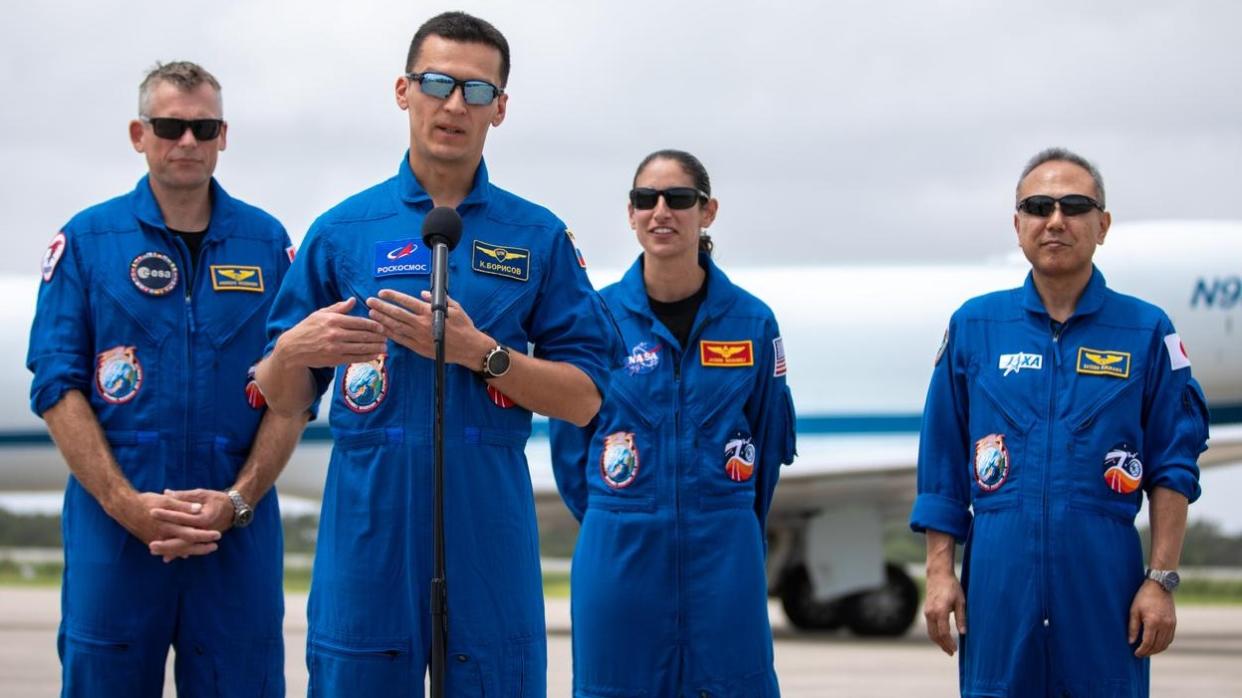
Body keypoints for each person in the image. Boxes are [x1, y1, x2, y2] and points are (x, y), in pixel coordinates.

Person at [255, 11, 617, 696]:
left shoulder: (537, 236)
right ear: (403, 90)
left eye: (477, 91)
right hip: (369, 519)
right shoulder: (341, 232)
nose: (455, 104)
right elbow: (282, 396)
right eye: (437, 83)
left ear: (500, 108)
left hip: (488, 519)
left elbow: (587, 395)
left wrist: (484, 354)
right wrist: (289, 353)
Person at [26, 61, 307, 697]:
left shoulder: (268, 246)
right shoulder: (88, 242)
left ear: (223, 136)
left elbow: (293, 396)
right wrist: (128, 506)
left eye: (202, 127)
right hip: (117, 539)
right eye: (170, 126)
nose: (187, 141)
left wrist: (235, 502)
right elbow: (56, 386)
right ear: (139, 133)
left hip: (233, 537)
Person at [910, 148, 1209, 697]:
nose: (1055, 220)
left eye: (1074, 206)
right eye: (1038, 206)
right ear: (1017, 223)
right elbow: (943, 463)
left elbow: (1174, 465)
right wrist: (939, 574)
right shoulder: (974, 327)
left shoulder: (1146, 331)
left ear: (1103, 225)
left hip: (1104, 578)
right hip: (999, 577)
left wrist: (1161, 580)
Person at [550, 149, 797, 697]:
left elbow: (765, 442)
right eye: (646, 199)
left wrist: (723, 521)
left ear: (706, 212)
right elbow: (570, 450)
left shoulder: (753, 322)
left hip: (725, 555)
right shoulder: (595, 319)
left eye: (678, 199)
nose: (661, 211)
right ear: (631, 213)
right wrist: (624, 516)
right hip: (620, 552)